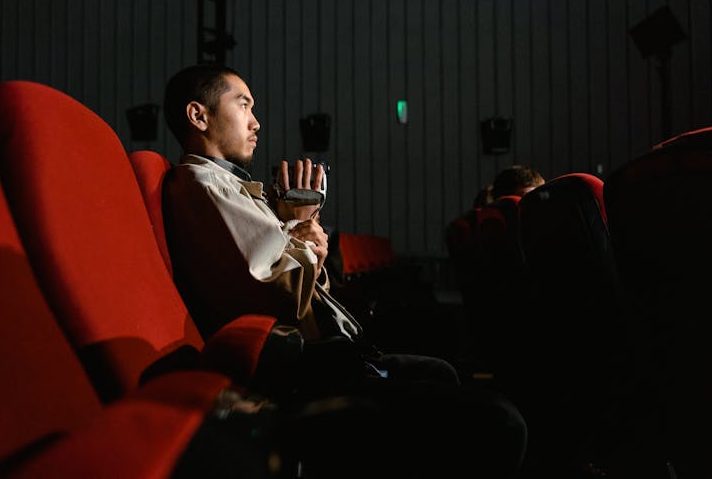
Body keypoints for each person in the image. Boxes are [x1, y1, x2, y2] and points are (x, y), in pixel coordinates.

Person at [161, 63, 527, 478]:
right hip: (308, 370)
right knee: (499, 420)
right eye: (243, 104)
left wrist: (299, 229)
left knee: (442, 374)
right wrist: (300, 225)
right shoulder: (206, 184)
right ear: (198, 115)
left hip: (327, 352)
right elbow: (281, 294)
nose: (256, 122)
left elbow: (303, 281)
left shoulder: (226, 185)